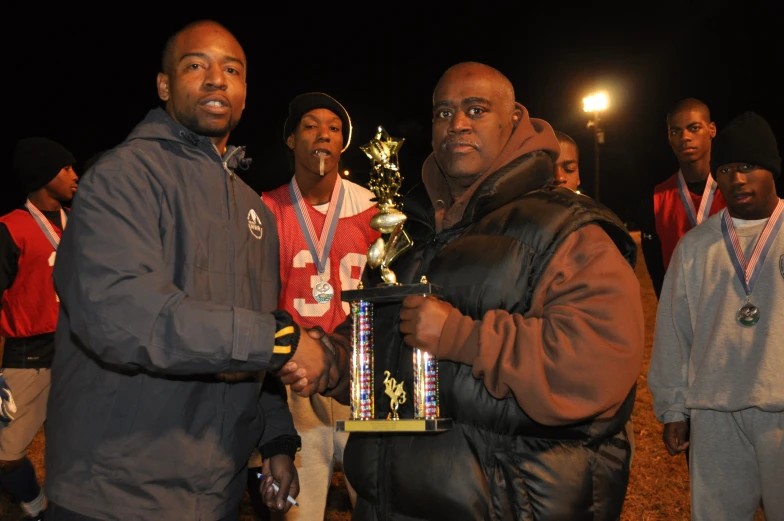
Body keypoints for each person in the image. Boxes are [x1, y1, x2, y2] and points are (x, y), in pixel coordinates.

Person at [282, 61, 644, 520]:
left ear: (513, 121)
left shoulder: (565, 229)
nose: (457, 125)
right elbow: (388, 358)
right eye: (443, 113)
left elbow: (595, 368)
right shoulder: (406, 232)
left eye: (476, 110)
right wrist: (333, 361)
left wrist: (460, 335)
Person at [42, 20, 339, 521]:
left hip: (215, 494)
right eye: (196, 65)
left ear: (244, 94)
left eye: (232, 70)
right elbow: (120, 315)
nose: (216, 79)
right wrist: (282, 340)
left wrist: (277, 440)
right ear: (164, 85)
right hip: (116, 493)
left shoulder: (255, 211)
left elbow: (253, 334)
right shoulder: (122, 177)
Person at [648, 111, 783, 521]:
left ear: (772, 169)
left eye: (748, 167)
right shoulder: (695, 247)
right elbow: (674, 331)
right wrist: (673, 408)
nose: (737, 179)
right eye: (725, 169)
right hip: (714, 412)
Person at [255, 92, 380, 520]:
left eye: (334, 127)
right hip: (294, 381)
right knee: (299, 512)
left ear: (343, 142)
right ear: (291, 140)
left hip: (360, 378)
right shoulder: (263, 210)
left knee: (382, 507)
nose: (323, 134)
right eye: (310, 125)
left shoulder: (376, 209)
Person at [0, 137, 78, 521]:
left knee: (84, 450)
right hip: (28, 355)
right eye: (65, 168)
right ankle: (35, 505)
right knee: (5, 457)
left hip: (80, 352)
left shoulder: (82, 224)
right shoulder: (9, 228)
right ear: (45, 175)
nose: (74, 175)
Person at [639, 98, 726, 298]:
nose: (684, 137)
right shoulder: (655, 199)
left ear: (711, 129)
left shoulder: (734, 190)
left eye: (694, 128)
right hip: (681, 311)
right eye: (675, 131)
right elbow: (656, 271)